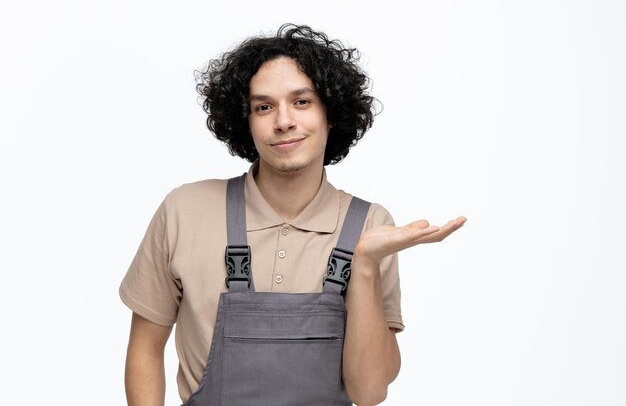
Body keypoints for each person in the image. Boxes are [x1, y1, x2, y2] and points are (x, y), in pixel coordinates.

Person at [120, 23, 466, 406]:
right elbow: (145, 349)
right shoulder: (185, 211)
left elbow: (369, 391)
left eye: (302, 102)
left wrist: (364, 264)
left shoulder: (369, 226)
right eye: (263, 107)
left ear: (331, 113)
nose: (283, 121)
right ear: (245, 121)